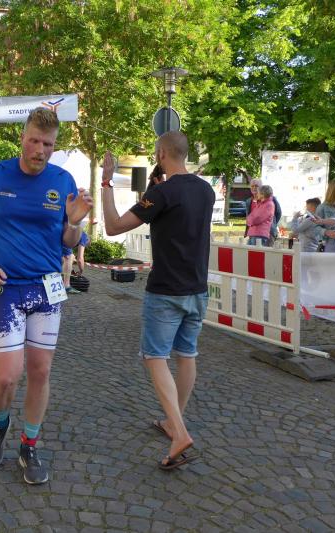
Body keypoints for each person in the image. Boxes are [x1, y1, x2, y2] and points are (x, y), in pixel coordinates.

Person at [0, 107, 92, 485]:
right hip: (5, 287)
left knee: (40, 370)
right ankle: (1, 422)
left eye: (48, 144)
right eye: (34, 141)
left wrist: (75, 222)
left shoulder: (62, 180)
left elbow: (68, 240)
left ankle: (29, 443)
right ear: (23, 137)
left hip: (47, 288)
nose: (40, 150)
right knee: (7, 376)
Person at [100, 131, 213, 471]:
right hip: (197, 288)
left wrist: (106, 183)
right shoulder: (205, 190)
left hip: (166, 290)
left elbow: (113, 226)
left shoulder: (161, 193)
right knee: (186, 354)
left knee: (155, 357)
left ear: (162, 153)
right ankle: (173, 422)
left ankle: (179, 431)